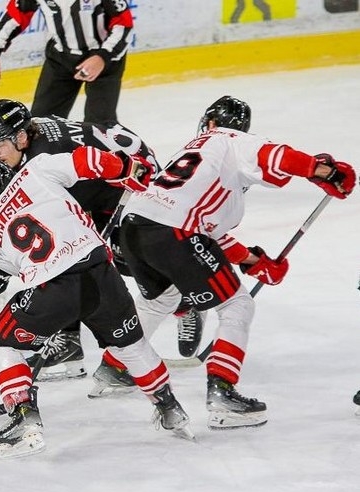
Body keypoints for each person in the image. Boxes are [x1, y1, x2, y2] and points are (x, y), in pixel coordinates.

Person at [97, 95, 356, 429]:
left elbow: (206, 231)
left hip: (134, 228)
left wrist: (251, 261)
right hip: (173, 233)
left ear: (208, 122)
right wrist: (326, 171)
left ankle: (115, 366)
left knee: (161, 298)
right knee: (237, 306)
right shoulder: (233, 140)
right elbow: (276, 156)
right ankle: (222, 391)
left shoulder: (197, 150)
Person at [0, 152, 193, 459]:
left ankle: (23, 418)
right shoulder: (36, 169)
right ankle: (170, 408)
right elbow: (87, 158)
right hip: (103, 275)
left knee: (1, 345)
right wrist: (127, 168)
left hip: (53, 290)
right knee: (132, 346)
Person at [0, 98, 207, 381]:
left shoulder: (42, 156)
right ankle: (71, 341)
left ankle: (184, 301)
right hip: (98, 186)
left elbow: (97, 153)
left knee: (118, 258)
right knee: (72, 258)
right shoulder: (33, 139)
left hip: (129, 188)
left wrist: (132, 168)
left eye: (0, 144)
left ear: (22, 137)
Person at [0, 0, 133, 124]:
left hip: (104, 61)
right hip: (61, 59)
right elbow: (16, 15)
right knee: (41, 125)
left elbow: (123, 23)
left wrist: (102, 57)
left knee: (100, 127)